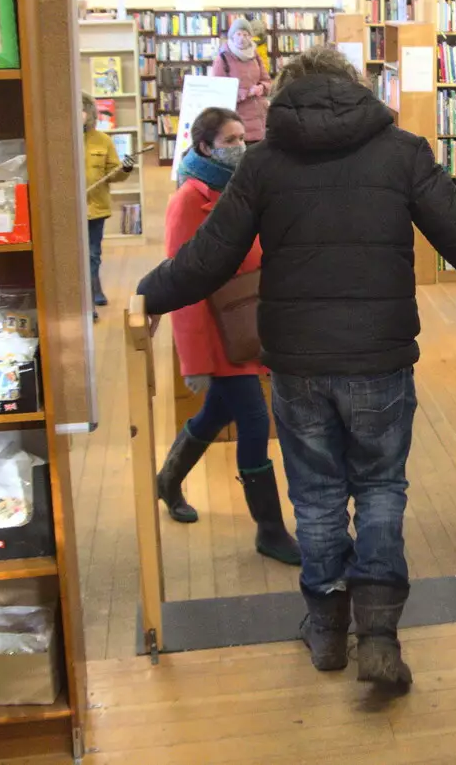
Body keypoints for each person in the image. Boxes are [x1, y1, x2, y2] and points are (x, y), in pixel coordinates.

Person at [137, 46, 456, 691]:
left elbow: (208, 257)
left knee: (318, 496)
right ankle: (379, 635)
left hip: (298, 365)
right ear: (354, 88)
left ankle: (327, 632)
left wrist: (148, 296)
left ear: (286, 99)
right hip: (379, 358)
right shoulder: (402, 151)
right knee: (382, 488)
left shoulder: (263, 163)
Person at [155, 105, 300, 566]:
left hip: (245, 321)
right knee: (255, 423)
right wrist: (193, 359)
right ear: (204, 147)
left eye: (243, 138)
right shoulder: (189, 200)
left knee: (218, 413)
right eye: (231, 141)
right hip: (218, 333)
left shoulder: (239, 187)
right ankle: (270, 530)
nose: (242, 147)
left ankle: (168, 479)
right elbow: (182, 282)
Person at [82, 93, 132, 308]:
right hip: (68, 210)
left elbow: (114, 173)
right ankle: (86, 296)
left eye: (83, 109)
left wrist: (125, 168)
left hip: (96, 207)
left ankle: (93, 293)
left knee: (93, 253)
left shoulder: (102, 140)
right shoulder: (58, 140)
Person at [218, 17, 271, 144]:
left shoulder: (255, 56)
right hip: (236, 120)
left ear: (250, 37)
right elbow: (219, 91)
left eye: (246, 34)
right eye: (239, 34)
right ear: (232, 36)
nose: (242, 38)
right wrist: (247, 93)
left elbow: (267, 80)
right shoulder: (223, 58)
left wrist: (262, 87)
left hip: (259, 119)